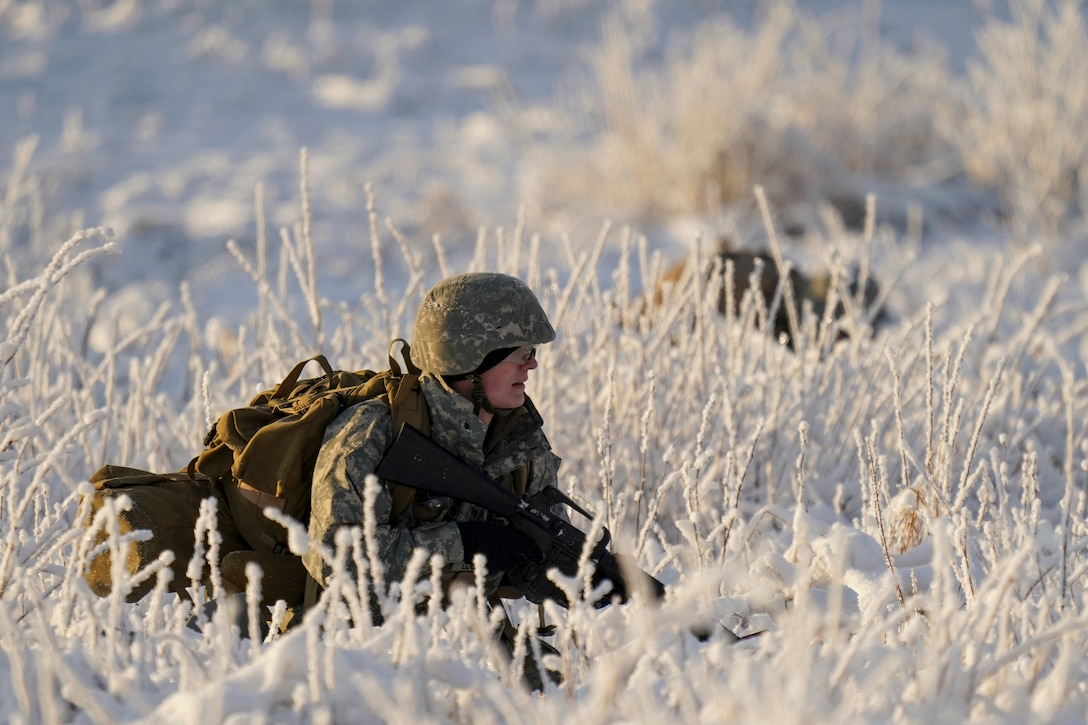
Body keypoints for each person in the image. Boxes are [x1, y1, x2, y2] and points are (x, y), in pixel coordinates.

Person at [302, 271, 562, 615]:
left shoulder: (522, 442)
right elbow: (337, 562)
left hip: (466, 634)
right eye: (523, 352)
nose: (533, 364)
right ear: (472, 359)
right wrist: (463, 542)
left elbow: (534, 561)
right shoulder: (372, 433)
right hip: (357, 647)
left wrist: (570, 574)